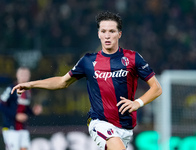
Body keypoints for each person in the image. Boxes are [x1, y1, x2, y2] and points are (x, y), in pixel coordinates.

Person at [11, 11, 162, 150]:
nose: (107, 35)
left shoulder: (133, 58)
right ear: (98, 34)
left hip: (126, 127)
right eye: (103, 31)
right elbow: (62, 82)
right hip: (100, 122)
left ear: (119, 34)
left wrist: (137, 103)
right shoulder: (88, 61)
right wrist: (32, 84)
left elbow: (156, 88)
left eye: (112, 31)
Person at [0, 67, 42, 150]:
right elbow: (1, 105)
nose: (24, 76)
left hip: (23, 127)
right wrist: (15, 115)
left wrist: (33, 111)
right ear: (17, 75)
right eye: (21, 74)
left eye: (26, 74)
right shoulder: (11, 88)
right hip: (11, 128)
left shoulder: (28, 91)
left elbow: (24, 109)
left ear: (29, 76)